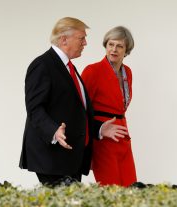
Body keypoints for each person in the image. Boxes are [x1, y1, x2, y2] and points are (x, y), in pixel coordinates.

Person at [19, 17, 94, 185]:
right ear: (63, 39)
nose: (85, 43)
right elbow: (34, 109)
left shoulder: (69, 67)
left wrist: (100, 128)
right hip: (52, 159)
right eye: (81, 38)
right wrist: (54, 130)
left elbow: (77, 110)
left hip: (70, 158)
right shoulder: (42, 65)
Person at [81, 26, 137, 187]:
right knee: (111, 190)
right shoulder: (93, 71)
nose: (114, 49)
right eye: (110, 44)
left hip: (123, 137)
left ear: (126, 50)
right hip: (103, 139)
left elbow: (121, 106)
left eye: (119, 46)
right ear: (105, 46)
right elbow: (82, 110)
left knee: (132, 189)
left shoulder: (128, 72)